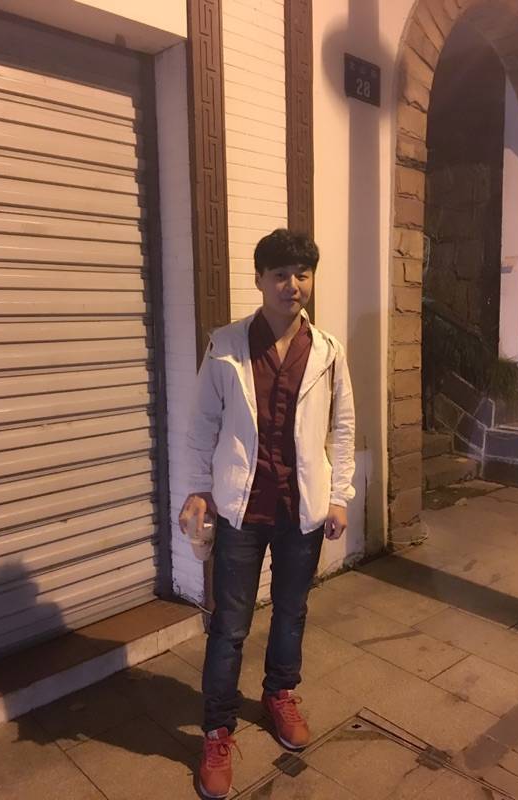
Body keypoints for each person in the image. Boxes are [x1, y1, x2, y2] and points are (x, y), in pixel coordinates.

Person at [179, 229, 356, 800]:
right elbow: (202, 423)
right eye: (280, 274)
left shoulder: (328, 350)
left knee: (291, 610)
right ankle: (217, 729)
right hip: (242, 506)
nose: (292, 284)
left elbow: (343, 426)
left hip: (301, 508)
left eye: (302, 273)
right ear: (259, 280)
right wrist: (198, 489)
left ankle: (279, 693)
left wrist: (339, 495)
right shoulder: (226, 345)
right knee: (230, 624)